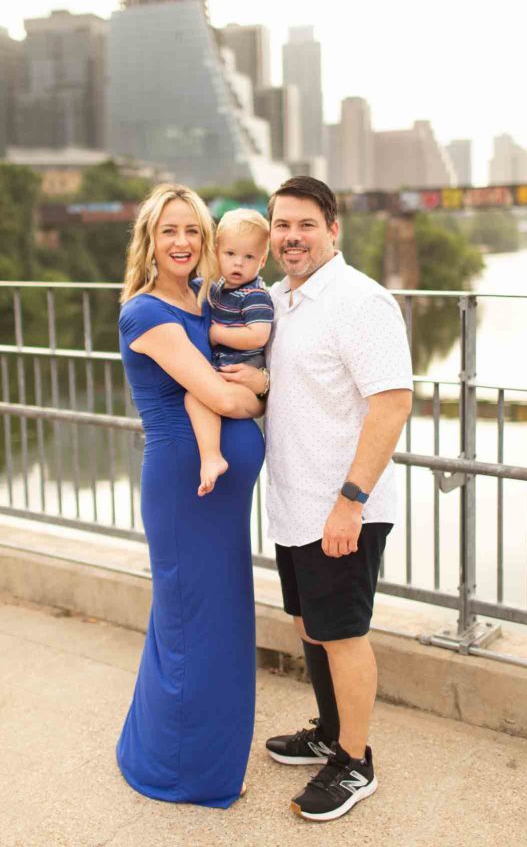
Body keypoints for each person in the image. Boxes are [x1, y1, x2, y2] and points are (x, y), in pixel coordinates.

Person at [220, 176, 413, 822]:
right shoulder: (278, 299)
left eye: (305, 224)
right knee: (310, 627)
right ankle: (330, 732)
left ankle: (354, 763)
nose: (291, 237)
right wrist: (261, 384)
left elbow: (391, 402)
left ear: (333, 230)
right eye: (280, 225)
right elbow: (304, 390)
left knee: (344, 633)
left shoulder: (360, 301)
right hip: (294, 500)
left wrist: (350, 501)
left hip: (342, 504)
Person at [115, 183, 266, 809]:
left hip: (219, 496)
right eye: (169, 230)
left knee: (220, 622)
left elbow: (243, 360)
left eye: (193, 231)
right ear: (149, 239)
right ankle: (179, 769)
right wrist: (256, 391)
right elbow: (227, 398)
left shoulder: (203, 300)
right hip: (185, 487)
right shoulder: (146, 312)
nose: (182, 242)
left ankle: (197, 753)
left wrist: (255, 377)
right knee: (188, 625)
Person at [185, 208, 274, 496]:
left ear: (262, 260)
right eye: (231, 254)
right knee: (198, 397)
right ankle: (211, 456)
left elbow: (258, 335)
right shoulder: (217, 288)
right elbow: (195, 284)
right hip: (224, 373)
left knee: (196, 396)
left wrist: (215, 333)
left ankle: (212, 457)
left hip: (242, 375)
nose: (238, 264)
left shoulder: (255, 295)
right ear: (216, 252)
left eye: (249, 257)